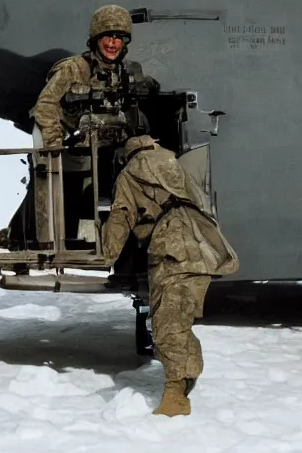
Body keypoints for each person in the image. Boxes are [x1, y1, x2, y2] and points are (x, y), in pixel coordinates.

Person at [100, 134, 239, 417]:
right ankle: (186, 374)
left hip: (172, 246)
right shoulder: (175, 162)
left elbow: (121, 216)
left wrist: (105, 254)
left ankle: (175, 396)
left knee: (166, 325)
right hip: (204, 244)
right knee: (179, 318)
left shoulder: (131, 172)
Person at [30, 4, 160, 149]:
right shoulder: (74, 68)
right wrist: (54, 143)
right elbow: (45, 105)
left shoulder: (127, 70)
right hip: (78, 150)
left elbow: (149, 91)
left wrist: (149, 86)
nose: (112, 43)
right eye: (108, 36)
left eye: (118, 37)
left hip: (118, 148)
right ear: (96, 39)